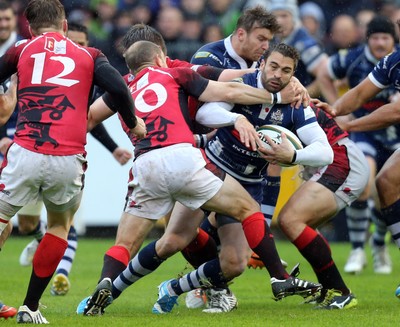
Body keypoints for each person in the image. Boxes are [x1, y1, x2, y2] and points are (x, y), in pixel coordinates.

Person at [75, 22, 310, 316]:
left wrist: (71, 148)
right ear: (160, 53)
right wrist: (277, 93)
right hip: (186, 158)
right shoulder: (177, 70)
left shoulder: (122, 87)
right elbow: (228, 86)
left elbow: (88, 118)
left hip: (145, 164)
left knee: (131, 242)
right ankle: (278, 278)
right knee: (247, 210)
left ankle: (106, 285)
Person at [137, 42, 332, 314]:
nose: (277, 74)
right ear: (262, 64)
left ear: (293, 74)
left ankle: (176, 287)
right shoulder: (242, 82)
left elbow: (326, 153)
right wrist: (234, 119)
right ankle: (111, 289)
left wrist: (293, 157)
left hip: (248, 184)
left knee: (235, 262)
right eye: (273, 66)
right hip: (209, 169)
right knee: (172, 241)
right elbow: (206, 112)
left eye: (286, 70)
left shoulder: (297, 102)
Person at [0, 0, 145, 324]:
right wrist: (132, 121)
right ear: (64, 25)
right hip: (68, 156)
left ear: (30, 27)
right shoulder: (89, 55)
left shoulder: (21, 49)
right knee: (59, 226)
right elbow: (119, 86)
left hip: (25, 149)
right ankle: (30, 307)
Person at [313, 18, 400, 298]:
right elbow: (362, 91)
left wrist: (351, 125)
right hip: (376, 136)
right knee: (385, 183)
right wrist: (335, 110)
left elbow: (397, 112)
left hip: (385, 131)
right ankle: (364, 248)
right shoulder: (393, 62)